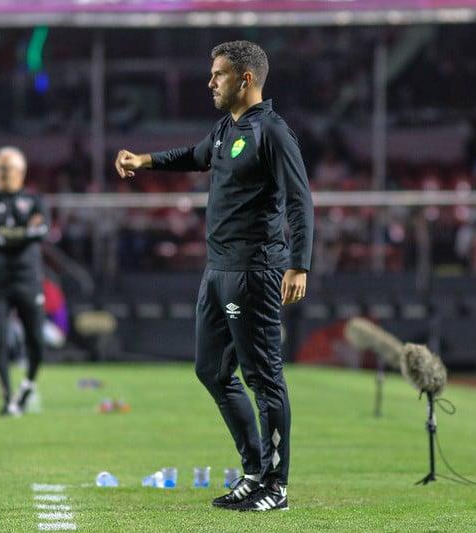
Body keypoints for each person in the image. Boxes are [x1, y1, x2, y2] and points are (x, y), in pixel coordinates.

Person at [115, 40, 314, 512]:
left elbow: (299, 201)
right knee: (211, 370)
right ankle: (253, 471)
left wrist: (299, 263)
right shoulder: (228, 127)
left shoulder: (273, 132)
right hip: (218, 270)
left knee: (263, 378)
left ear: (246, 80)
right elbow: (197, 154)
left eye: (219, 75)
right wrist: (146, 161)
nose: (210, 82)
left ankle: (276, 486)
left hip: (255, 270)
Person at [0, 146, 49, 416]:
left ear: (20, 172)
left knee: (37, 343)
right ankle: (7, 398)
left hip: (28, 280)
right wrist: (23, 232)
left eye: (4, 169)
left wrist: (7, 234)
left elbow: (41, 232)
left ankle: (27, 386)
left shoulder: (36, 201)